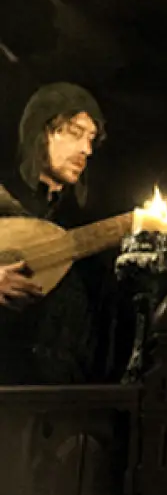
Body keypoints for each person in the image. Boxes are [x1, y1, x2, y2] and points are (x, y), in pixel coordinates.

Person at [0, 82, 110, 383]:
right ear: (41, 132)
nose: (86, 149)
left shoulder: (79, 228)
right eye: (75, 132)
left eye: (91, 139)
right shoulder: (3, 198)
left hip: (60, 393)